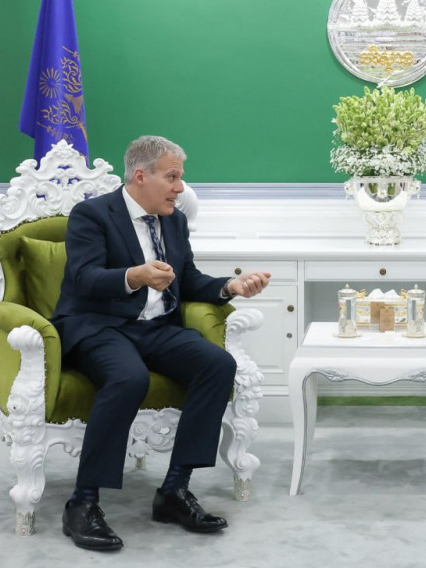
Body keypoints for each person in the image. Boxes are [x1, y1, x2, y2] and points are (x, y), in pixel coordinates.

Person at [53, 135, 271, 552]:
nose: (179, 187)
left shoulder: (174, 220)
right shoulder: (92, 214)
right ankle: (82, 503)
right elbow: (83, 278)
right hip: (99, 326)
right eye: (172, 178)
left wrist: (230, 286)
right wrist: (133, 276)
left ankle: (174, 491)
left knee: (218, 364)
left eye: (180, 178)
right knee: (129, 378)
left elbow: (187, 279)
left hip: (154, 328)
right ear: (141, 176)